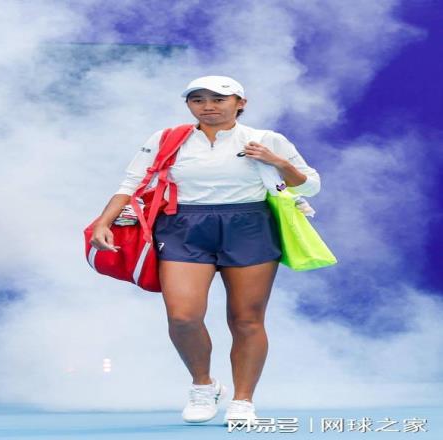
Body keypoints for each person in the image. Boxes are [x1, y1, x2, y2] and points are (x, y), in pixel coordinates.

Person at [90, 75, 320, 425]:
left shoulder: (265, 139)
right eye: (198, 100)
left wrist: (277, 161)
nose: (208, 106)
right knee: (182, 316)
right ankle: (203, 386)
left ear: (240, 103)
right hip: (183, 227)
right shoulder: (166, 139)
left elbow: (310, 185)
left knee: (246, 320)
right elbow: (131, 183)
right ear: (188, 105)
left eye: (218, 99)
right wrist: (103, 222)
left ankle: (243, 401)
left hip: (249, 227)